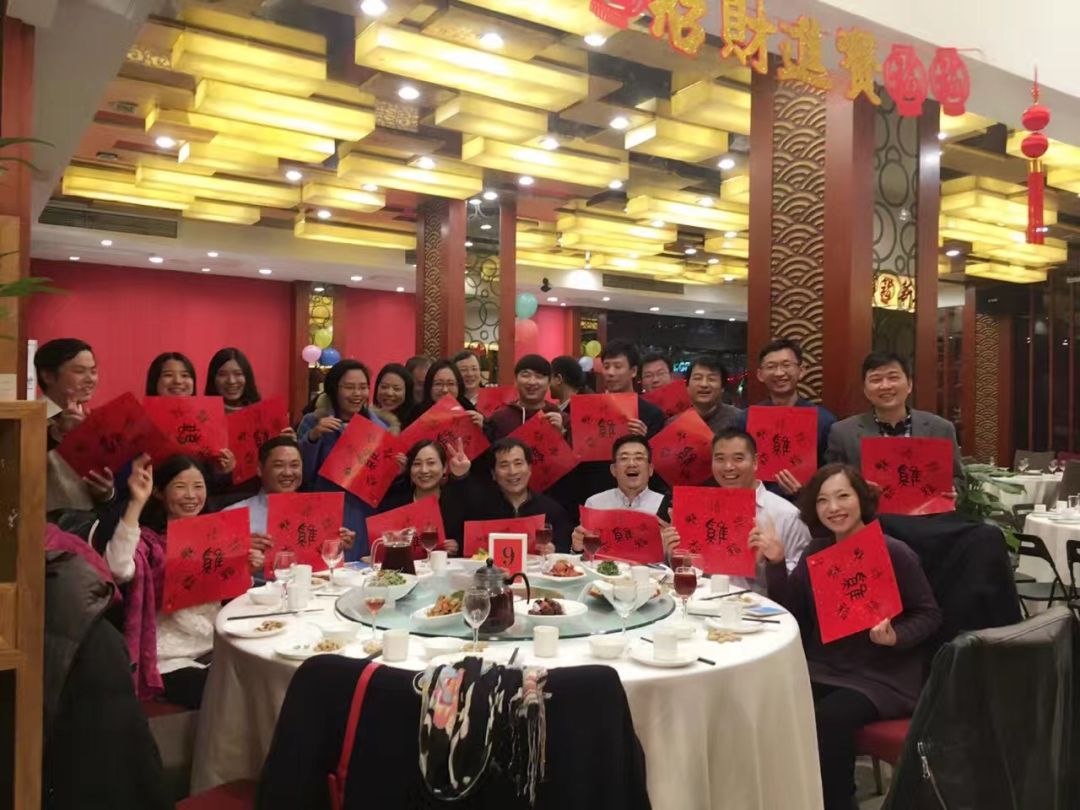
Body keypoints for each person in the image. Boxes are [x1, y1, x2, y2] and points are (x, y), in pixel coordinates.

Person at [764, 464, 941, 810]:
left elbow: (930, 614)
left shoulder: (893, 551)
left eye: (843, 496)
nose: (833, 507)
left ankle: (838, 802)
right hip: (827, 667)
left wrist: (896, 636)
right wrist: (777, 563)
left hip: (882, 675)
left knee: (829, 718)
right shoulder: (816, 553)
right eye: (823, 500)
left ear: (861, 499)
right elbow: (792, 615)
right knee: (769, 699)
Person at [103, 454, 271, 708]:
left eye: (198, 486)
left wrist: (246, 569)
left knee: (262, 680)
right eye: (180, 487)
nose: (191, 495)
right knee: (220, 694)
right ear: (159, 492)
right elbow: (117, 569)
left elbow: (230, 595)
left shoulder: (219, 535)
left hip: (218, 644)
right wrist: (136, 502)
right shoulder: (149, 542)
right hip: (171, 657)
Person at [660, 428, 810, 593]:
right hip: (703, 602)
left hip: (760, 606)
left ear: (755, 462)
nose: (728, 467)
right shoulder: (697, 510)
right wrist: (672, 553)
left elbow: (799, 586)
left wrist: (771, 562)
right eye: (720, 459)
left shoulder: (787, 515)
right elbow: (690, 571)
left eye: (738, 458)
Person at [826, 352, 963, 493]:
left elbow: (958, 480)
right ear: (865, 390)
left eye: (893, 378)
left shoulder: (940, 429)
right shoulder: (843, 433)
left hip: (928, 507)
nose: (885, 386)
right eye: (876, 380)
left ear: (909, 385)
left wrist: (952, 490)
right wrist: (859, 490)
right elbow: (832, 484)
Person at [297, 360, 389, 559]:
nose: (357, 393)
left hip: (362, 513)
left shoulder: (380, 428)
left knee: (360, 567)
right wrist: (313, 437)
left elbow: (383, 484)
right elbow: (301, 474)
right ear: (334, 389)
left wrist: (397, 468)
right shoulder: (313, 421)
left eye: (363, 387)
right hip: (323, 511)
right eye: (349, 387)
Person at [739, 338, 837, 497]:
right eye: (771, 366)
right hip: (756, 505)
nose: (779, 373)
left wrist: (806, 491)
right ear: (760, 374)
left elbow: (833, 475)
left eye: (786, 365)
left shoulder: (824, 421)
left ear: (801, 370)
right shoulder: (745, 419)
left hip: (806, 506)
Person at [226, 435, 355, 546]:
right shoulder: (233, 515)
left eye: (294, 465)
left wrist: (338, 545)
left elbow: (325, 560)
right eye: (278, 465)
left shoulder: (320, 512)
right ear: (260, 469)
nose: (288, 473)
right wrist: (238, 548)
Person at [36, 337, 115, 511]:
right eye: (79, 371)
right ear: (48, 376)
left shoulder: (98, 422)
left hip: (92, 524)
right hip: (42, 524)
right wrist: (57, 433)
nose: (90, 379)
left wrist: (107, 493)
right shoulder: (28, 421)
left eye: (93, 371)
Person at [463, 438, 572, 553]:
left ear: (529, 468)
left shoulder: (552, 510)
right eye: (504, 465)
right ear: (494, 474)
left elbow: (566, 549)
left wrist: (554, 550)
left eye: (518, 463)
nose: (512, 472)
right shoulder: (478, 510)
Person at [571, 435, 664, 554]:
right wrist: (577, 548)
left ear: (650, 469)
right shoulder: (595, 503)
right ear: (613, 470)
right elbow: (585, 557)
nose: (631, 464)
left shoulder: (664, 506)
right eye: (624, 458)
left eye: (639, 458)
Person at [379, 439, 472, 555]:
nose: (424, 470)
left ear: (444, 467)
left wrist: (458, 547)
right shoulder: (394, 503)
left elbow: (474, 543)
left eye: (431, 463)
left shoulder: (458, 501)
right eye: (417, 464)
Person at [598, 340, 666, 437]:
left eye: (617, 367)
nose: (610, 372)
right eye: (606, 367)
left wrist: (642, 439)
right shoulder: (592, 409)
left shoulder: (652, 414)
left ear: (633, 371)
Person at [487, 354, 564, 439]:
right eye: (526, 375)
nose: (532, 382)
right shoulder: (499, 418)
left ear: (549, 383)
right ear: (515, 380)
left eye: (539, 376)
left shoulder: (561, 418)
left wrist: (560, 434)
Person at [403, 359, 484, 429]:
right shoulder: (415, 416)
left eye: (451, 384)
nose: (445, 390)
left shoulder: (469, 412)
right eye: (438, 384)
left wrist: (483, 426)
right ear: (429, 386)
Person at [685, 353, 742, 433]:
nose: (704, 384)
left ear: (722, 387)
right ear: (687, 386)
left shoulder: (739, 420)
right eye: (698, 378)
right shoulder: (674, 423)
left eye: (711, 379)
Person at [205, 347, 261, 412]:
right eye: (223, 374)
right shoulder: (203, 413)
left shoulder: (262, 413)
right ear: (213, 378)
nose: (231, 381)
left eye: (238, 374)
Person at [373, 362, 415, 427]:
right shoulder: (367, 416)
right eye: (384, 387)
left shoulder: (415, 423)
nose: (389, 393)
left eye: (397, 389)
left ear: (407, 392)